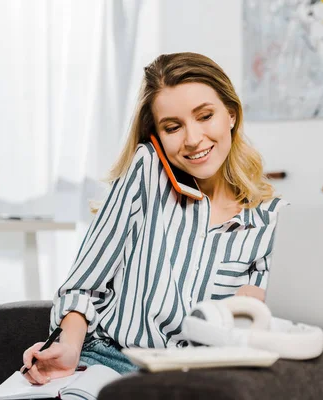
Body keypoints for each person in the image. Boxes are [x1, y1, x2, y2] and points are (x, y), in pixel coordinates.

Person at [22, 52, 287, 384]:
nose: (192, 139)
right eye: (173, 127)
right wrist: (69, 348)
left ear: (231, 115)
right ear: (157, 136)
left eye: (205, 116)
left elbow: (261, 331)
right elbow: (83, 285)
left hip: (203, 380)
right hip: (111, 362)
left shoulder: (270, 221)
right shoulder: (147, 172)